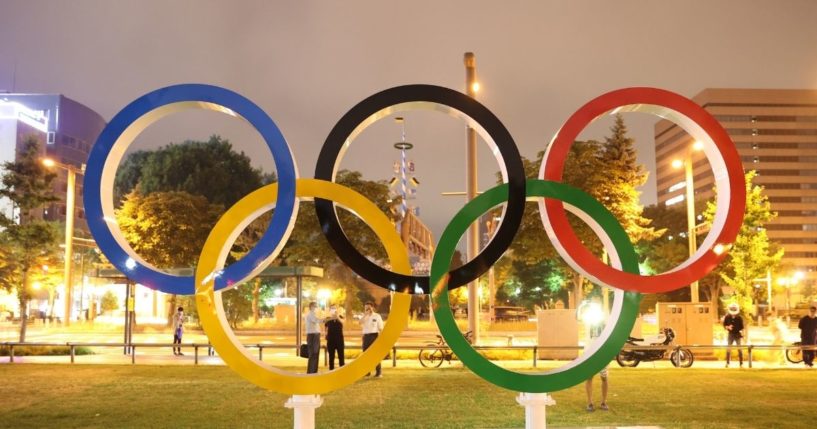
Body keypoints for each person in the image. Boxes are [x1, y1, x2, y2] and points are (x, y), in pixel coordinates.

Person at [579, 299, 607, 412]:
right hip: (590, 351)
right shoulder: (587, 318)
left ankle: (604, 402)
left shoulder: (604, 319)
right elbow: (577, 316)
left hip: (602, 352)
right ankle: (590, 402)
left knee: (604, 377)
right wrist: (583, 304)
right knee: (589, 377)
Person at [361, 301, 384, 377]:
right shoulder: (364, 316)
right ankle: (366, 372)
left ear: (372, 308)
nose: (367, 309)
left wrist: (381, 338)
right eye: (366, 307)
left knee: (375, 354)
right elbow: (359, 322)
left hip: (374, 336)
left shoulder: (377, 316)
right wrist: (365, 315)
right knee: (365, 355)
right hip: (366, 337)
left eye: (368, 307)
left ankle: (378, 372)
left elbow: (381, 328)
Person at [304, 301, 323, 374]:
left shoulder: (313, 314)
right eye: (315, 306)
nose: (316, 308)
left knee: (316, 353)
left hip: (315, 335)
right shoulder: (310, 314)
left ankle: (314, 371)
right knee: (313, 353)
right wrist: (325, 319)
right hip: (313, 335)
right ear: (311, 307)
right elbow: (316, 320)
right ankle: (311, 371)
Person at [723, 303, 745, 368]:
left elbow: (742, 327)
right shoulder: (727, 317)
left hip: (738, 334)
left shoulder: (739, 318)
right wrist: (728, 327)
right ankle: (727, 363)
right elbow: (724, 325)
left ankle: (741, 364)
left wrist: (743, 334)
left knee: (740, 349)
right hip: (731, 334)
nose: (733, 313)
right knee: (728, 349)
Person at [325, 303, 345, 370]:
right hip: (330, 340)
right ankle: (331, 371)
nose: (333, 310)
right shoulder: (328, 318)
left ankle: (342, 371)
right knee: (331, 357)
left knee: (341, 356)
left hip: (339, 340)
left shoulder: (341, 317)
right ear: (330, 310)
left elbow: (343, 322)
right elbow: (325, 328)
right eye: (332, 308)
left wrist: (337, 317)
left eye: (334, 308)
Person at [798, 303, 817, 367]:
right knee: (805, 351)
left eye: (813, 311)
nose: (812, 312)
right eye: (811, 311)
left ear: (815, 312)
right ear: (809, 311)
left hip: (813, 338)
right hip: (805, 337)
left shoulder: (816, 319)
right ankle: (807, 363)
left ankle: (809, 362)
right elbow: (800, 326)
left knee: (812, 352)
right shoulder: (804, 319)